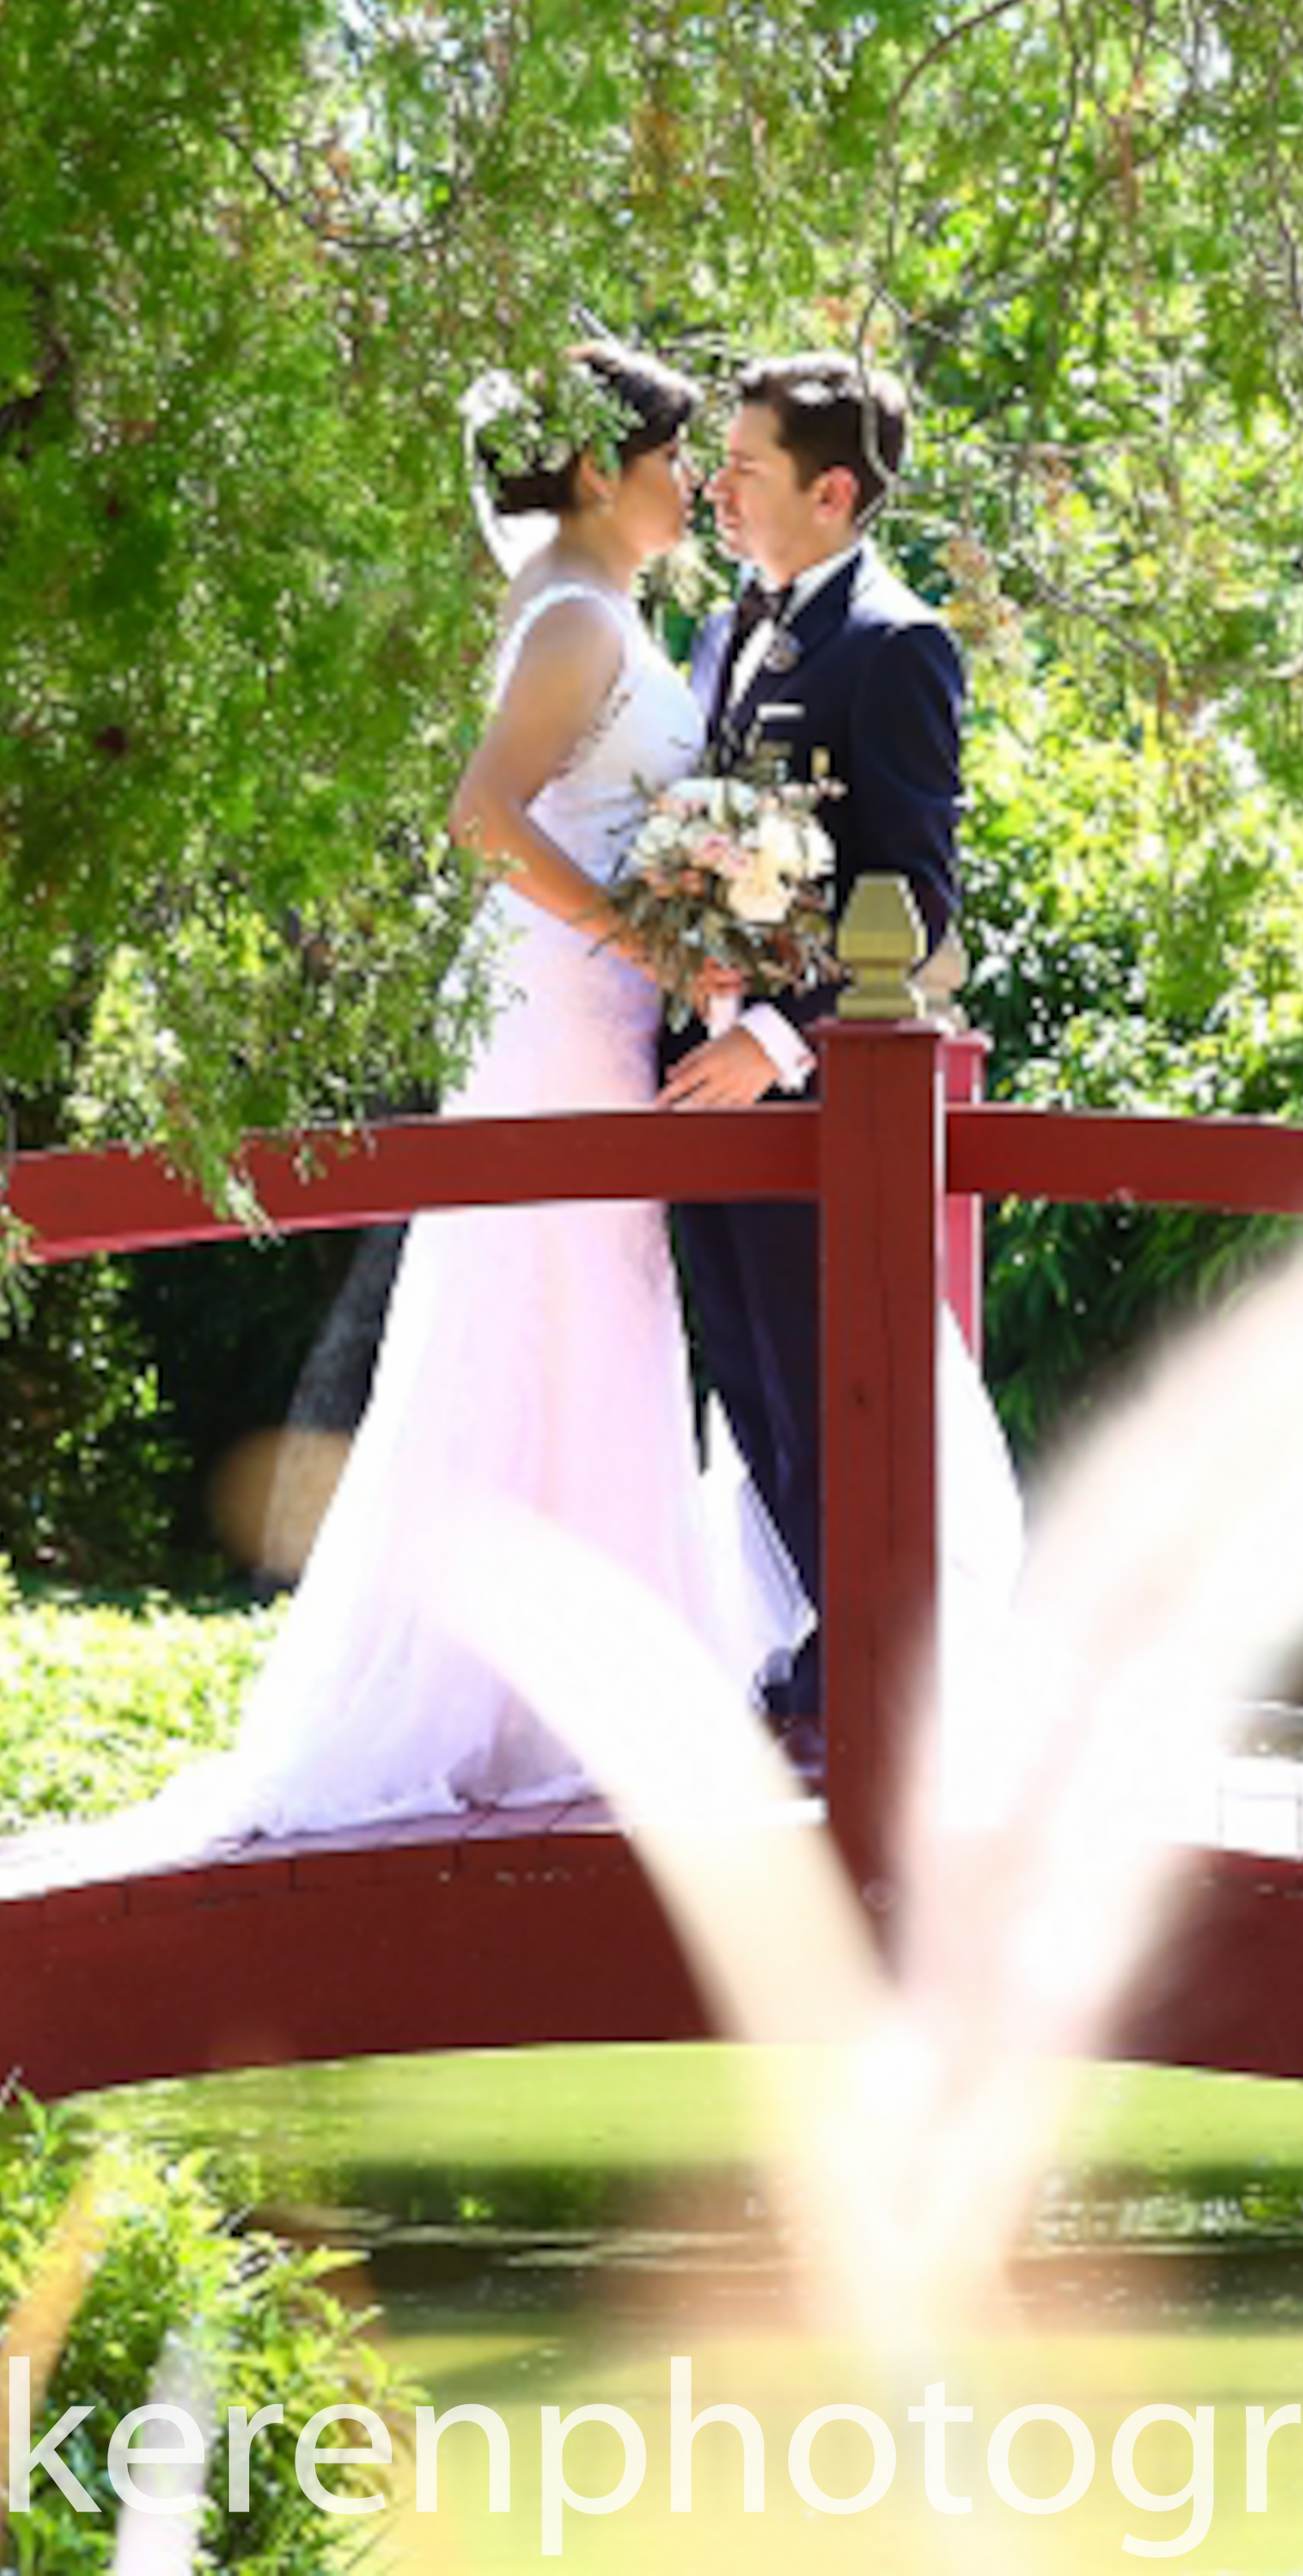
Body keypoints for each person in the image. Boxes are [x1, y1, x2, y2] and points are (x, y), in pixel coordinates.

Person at [164, 344, 801, 1832]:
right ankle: (507, 1694)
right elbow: (483, 816)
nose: (692, 484)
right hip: (554, 1015)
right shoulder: (574, 619)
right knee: (540, 1306)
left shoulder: (601, 611)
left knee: (599, 1308)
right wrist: (648, 929)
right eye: (672, 456)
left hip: (597, 1006)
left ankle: (591, 1672)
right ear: (597, 470)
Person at [658, 349, 1000, 1750]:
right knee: (745, 1374)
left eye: (744, 467)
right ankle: (825, 1640)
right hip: (700, 1074)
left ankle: (876, 1665)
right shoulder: (730, 623)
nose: (716, 489)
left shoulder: (898, 641)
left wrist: (778, 1046)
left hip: (803, 1092)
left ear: (834, 488)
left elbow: (917, 891)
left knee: (821, 1381)